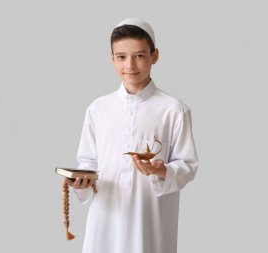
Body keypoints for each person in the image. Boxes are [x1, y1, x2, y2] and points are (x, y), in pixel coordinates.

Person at [64, 17, 199, 253]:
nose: (130, 66)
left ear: (154, 56)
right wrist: (80, 180)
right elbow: (88, 161)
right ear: (111, 58)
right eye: (121, 57)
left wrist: (162, 170)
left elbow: (188, 165)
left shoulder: (173, 109)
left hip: (150, 220)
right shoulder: (98, 108)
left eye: (139, 55)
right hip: (105, 218)